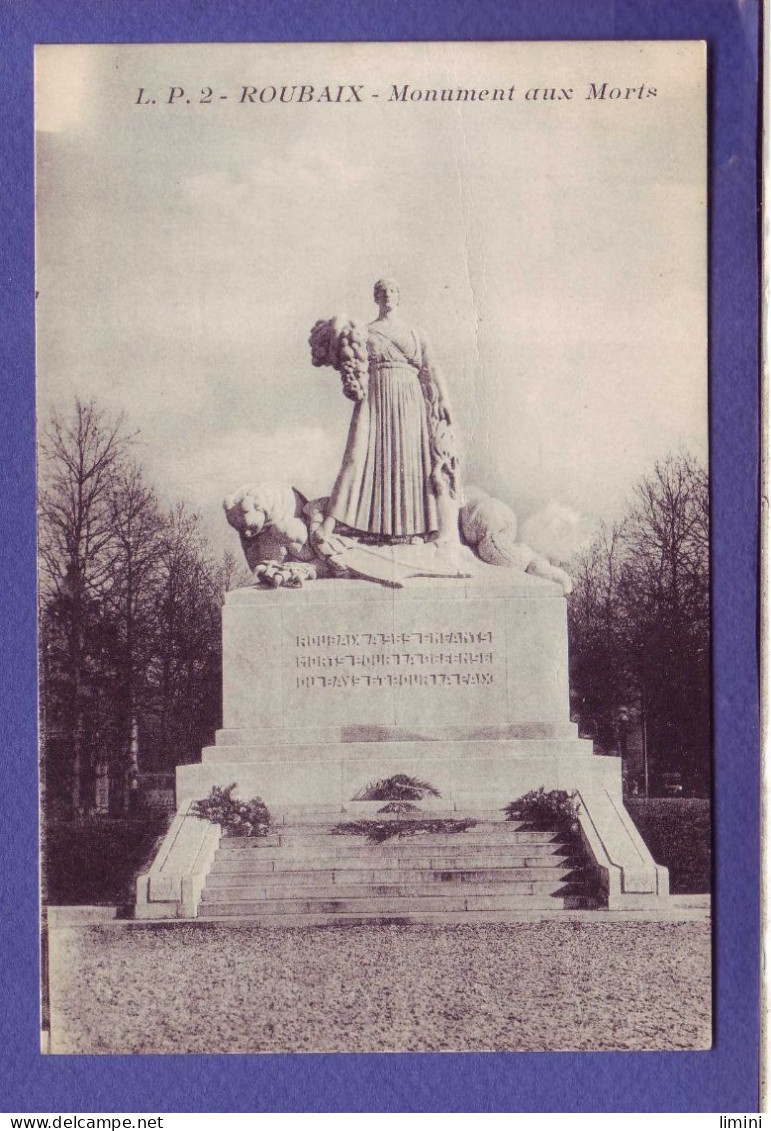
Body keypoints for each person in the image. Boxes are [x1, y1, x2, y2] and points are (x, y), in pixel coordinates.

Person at [314, 278, 459, 549]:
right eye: (382, 292)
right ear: (376, 298)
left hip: (409, 399)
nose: (388, 296)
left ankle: (414, 530)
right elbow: (349, 361)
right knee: (364, 456)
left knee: (409, 460)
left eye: (392, 291)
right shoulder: (365, 332)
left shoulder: (416, 333)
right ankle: (363, 527)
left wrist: (445, 400)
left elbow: (432, 367)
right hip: (375, 397)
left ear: (398, 297)